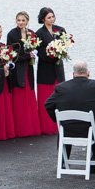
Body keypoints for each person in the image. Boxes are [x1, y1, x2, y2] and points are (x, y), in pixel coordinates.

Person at [43, 60, 95, 168]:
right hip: (94, 131)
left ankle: (63, 162)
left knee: (62, 128)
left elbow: (48, 105)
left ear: (73, 74)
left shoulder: (61, 88)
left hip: (69, 129)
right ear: (88, 73)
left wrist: (59, 120)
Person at [5, 11, 42, 138]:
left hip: (28, 68)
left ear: (27, 21)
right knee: (19, 96)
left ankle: (31, 128)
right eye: (18, 20)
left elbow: (36, 48)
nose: (20, 22)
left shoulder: (31, 33)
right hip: (17, 69)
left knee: (29, 93)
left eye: (23, 20)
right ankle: (20, 129)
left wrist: (33, 53)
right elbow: (11, 54)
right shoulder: (12, 34)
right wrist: (27, 55)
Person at [35, 7, 67, 136]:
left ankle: (61, 124)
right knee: (46, 97)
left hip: (58, 68)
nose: (52, 19)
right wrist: (51, 55)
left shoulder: (60, 30)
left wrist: (60, 52)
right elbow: (39, 52)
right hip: (45, 68)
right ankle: (47, 126)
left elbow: (65, 45)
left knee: (60, 95)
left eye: (53, 16)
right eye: (49, 17)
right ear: (43, 19)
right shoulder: (39, 33)